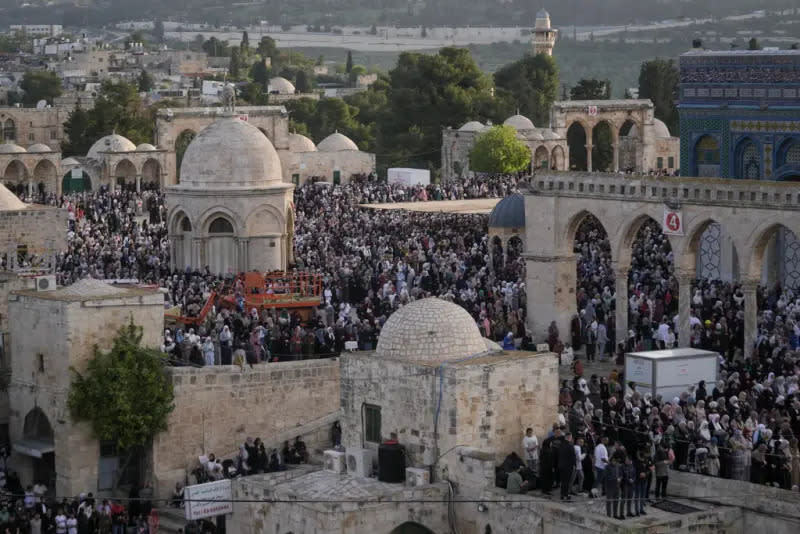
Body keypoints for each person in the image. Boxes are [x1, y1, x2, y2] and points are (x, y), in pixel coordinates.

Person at [558, 432, 577, 501]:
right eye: (571, 437)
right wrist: (575, 465)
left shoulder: (561, 445)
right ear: (569, 437)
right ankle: (566, 495)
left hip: (561, 465)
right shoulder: (570, 445)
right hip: (568, 466)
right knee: (567, 481)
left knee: (563, 481)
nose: (571, 439)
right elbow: (573, 457)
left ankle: (562, 495)